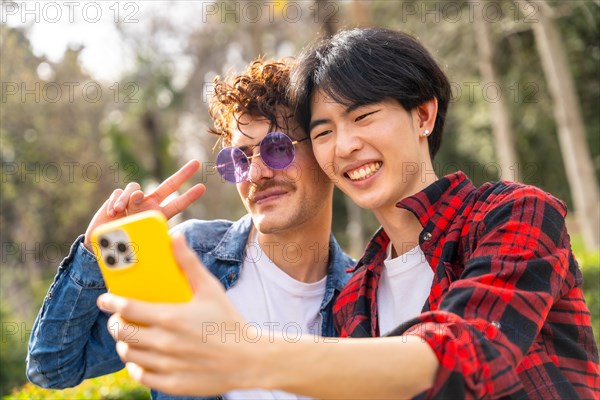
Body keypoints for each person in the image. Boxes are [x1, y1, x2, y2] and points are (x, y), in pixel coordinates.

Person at [98, 27, 600, 399]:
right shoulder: (350, 298)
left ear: (423, 114)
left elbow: (465, 354)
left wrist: (244, 354)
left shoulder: (513, 215)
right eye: (322, 132)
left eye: (362, 116)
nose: (346, 146)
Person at [26, 58, 353, 400]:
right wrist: (99, 251)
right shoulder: (189, 257)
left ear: (322, 148)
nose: (256, 175)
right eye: (239, 160)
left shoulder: (365, 293)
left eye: (278, 148)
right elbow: (53, 367)